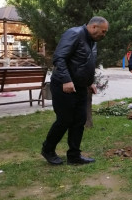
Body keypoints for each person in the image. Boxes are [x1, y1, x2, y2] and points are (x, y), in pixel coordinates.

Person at [41, 16, 109, 165]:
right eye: (103, 31)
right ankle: (48, 149)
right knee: (64, 120)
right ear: (93, 27)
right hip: (63, 86)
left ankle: (74, 155)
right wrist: (66, 80)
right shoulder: (74, 34)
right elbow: (59, 58)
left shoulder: (92, 41)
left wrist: (89, 82)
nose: (104, 35)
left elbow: (85, 63)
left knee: (79, 120)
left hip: (80, 87)